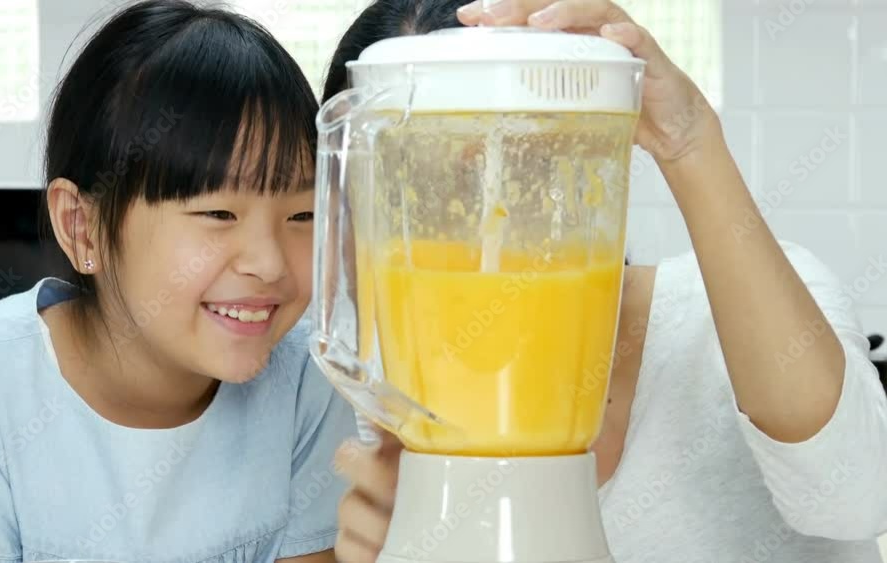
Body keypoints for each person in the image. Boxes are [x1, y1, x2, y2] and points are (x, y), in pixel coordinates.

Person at [328, 1, 887, 561]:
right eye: (422, 196)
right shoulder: (388, 393)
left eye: (518, 171)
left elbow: (854, 499)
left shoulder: (723, 313)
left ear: (580, 158)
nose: (479, 235)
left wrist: (689, 143)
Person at [0, 2, 355, 562]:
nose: (271, 264)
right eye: (218, 214)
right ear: (81, 227)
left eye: (302, 215)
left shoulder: (310, 375)